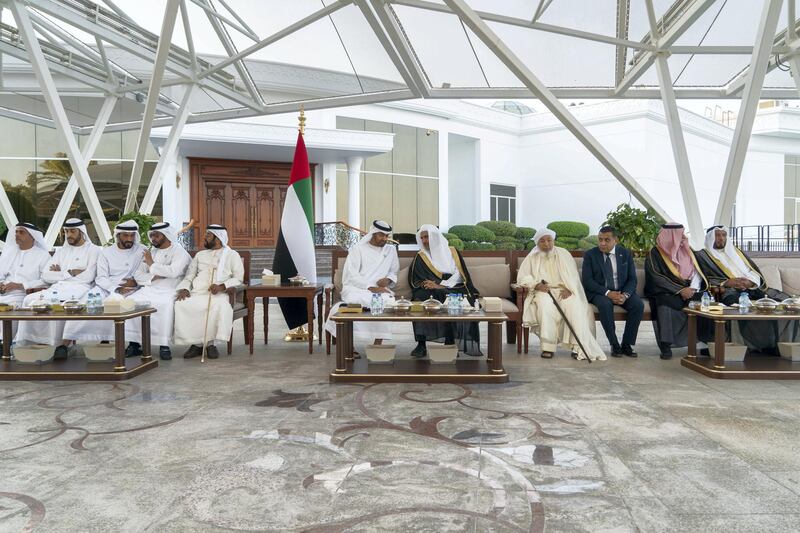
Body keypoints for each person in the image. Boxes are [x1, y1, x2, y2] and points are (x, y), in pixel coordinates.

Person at [696, 225, 793, 352]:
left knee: (784, 302)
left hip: (750, 288)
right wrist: (726, 282)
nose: (721, 238)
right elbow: (702, 278)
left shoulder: (737, 252)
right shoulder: (702, 256)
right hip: (726, 291)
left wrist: (750, 282)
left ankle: (774, 344)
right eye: (717, 235)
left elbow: (752, 271)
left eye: (724, 235)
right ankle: (747, 345)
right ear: (710, 238)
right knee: (740, 307)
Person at [16, 218, 100, 360]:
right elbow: (46, 275)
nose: (69, 235)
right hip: (57, 287)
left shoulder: (95, 250)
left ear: (82, 232)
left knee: (61, 303)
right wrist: (70, 272)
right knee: (30, 299)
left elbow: (88, 277)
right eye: (66, 231)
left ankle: (61, 344)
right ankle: (32, 342)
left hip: (81, 288)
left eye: (72, 231)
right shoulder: (61, 251)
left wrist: (59, 273)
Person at [518, 228, 605, 361]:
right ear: (537, 243)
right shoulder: (532, 257)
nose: (546, 244)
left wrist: (569, 288)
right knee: (545, 306)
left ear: (553, 240)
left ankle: (578, 346)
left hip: (564, 290)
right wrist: (537, 285)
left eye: (549, 240)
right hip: (543, 291)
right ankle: (548, 347)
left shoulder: (564, 253)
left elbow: (573, 276)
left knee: (574, 306)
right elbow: (523, 277)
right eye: (542, 241)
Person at [62, 221, 146, 347]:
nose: (129, 239)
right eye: (125, 235)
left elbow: (144, 272)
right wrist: (116, 288)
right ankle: (65, 343)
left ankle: (111, 342)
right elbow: (101, 278)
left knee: (113, 304)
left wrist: (135, 282)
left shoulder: (142, 250)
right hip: (106, 287)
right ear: (118, 235)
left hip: (132, 289)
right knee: (85, 303)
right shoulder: (106, 252)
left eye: (132, 235)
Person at [409, 224, 481, 357]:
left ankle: (450, 341)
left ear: (435, 237)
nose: (425, 241)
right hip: (429, 289)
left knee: (451, 297)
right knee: (420, 298)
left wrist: (442, 285)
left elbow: (460, 275)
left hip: (454, 286)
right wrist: (432, 285)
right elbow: (416, 279)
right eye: (422, 238)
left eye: (427, 237)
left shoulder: (452, 251)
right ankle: (421, 344)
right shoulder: (421, 256)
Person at [324, 220, 399, 347]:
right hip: (355, 288)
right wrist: (370, 287)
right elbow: (352, 275)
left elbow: (393, 271)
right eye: (381, 235)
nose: (385, 239)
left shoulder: (391, 250)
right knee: (354, 302)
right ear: (373, 234)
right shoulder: (357, 249)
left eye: (387, 236)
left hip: (380, 289)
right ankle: (349, 345)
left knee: (386, 301)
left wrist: (389, 280)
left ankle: (377, 345)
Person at [174, 225, 244, 360]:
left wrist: (223, 286)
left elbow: (238, 278)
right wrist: (185, 289)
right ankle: (196, 343)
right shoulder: (200, 255)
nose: (204, 237)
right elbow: (189, 275)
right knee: (182, 305)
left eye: (208, 235)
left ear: (217, 238)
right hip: (197, 292)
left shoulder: (232, 255)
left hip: (220, 293)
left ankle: (210, 344)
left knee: (216, 306)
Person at [124, 222, 191, 360]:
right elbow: (138, 274)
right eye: (152, 235)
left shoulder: (179, 251)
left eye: (156, 235)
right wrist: (154, 276)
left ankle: (163, 345)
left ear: (166, 235)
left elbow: (173, 272)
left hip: (170, 289)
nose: (153, 238)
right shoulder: (151, 252)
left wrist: (151, 264)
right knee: (132, 302)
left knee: (163, 305)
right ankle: (134, 344)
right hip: (150, 287)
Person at [644, 223, 709, 359]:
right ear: (671, 236)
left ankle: (705, 343)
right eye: (680, 234)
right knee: (664, 304)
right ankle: (666, 345)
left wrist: (692, 288)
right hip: (665, 291)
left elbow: (698, 271)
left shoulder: (688, 250)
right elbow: (656, 277)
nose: (683, 236)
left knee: (704, 302)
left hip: (690, 290)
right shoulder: (655, 253)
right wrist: (679, 290)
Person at [581, 226, 643, 358]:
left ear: (616, 240)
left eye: (607, 240)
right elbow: (588, 281)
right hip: (599, 292)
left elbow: (632, 279)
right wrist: (608, 293)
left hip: (621, 291)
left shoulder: (625, 254)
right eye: (600, 239)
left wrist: (625, 295)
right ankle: (614, 344)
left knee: (638, 305)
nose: (602, 243)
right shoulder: (590, 255)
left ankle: (627, 344)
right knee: (605, 305)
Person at [0, 223, 51, 345]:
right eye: (16, 232)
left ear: (33, 236)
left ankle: (4, 343)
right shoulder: (9, 253)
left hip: (23, 295)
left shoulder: (43, 255)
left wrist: (21, 285)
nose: (17, 235)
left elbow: (46, 280)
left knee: (12, 309)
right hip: (3, 293)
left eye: (21, 232)